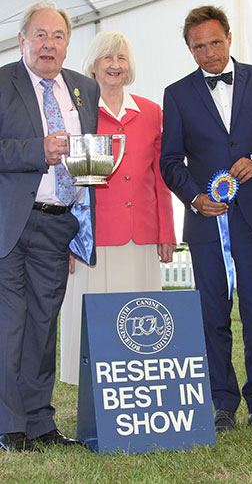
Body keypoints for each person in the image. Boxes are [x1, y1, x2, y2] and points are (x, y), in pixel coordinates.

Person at [160, 5, 252, 433]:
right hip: (205, 223)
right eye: (199, 47)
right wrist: (194, 197)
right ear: (189, 49)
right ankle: (221, 402)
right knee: (211, 312)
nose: (209, 53)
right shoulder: (176, 94)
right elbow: (170, 160)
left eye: (215, 42)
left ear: (229, 38)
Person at [0, 0, 99, 451]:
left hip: (60, 224)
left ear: (67, 44)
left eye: (57, 36)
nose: (49, 44)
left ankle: (40, 421)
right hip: (11, 225)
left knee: (43, 325)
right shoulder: (2, 83)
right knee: (11, 325)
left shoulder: (84, 87)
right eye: (39, 35)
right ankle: (8, 424)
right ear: (22, 41)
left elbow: (88, 155)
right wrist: (36, 150)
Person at [59, 31, 177, 386]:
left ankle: (137, 387)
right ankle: (96, 394)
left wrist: (166, 231)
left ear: (130, 66)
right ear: (92, 66)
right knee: (93, 323)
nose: (114, 65)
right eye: (107, 58)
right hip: (91, 237)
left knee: (138, 321)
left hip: (140, 235)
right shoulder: (78, 113)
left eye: (121, 58)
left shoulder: (152, 112)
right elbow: (68, 181)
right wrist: (66, 237)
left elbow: (160, 176)